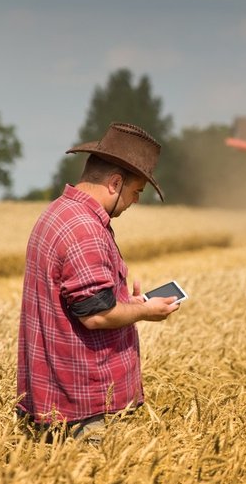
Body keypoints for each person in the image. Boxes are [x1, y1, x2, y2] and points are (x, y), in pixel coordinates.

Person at [16, 122, 181, 443]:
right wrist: (148, 312)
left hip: (57, 396)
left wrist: (128, 304)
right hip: (85, 405)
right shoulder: (85, 230)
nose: (135, 201)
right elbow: (96, 315)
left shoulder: (58, 212)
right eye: (136, 191)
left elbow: (84, 301)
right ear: (115, 183)